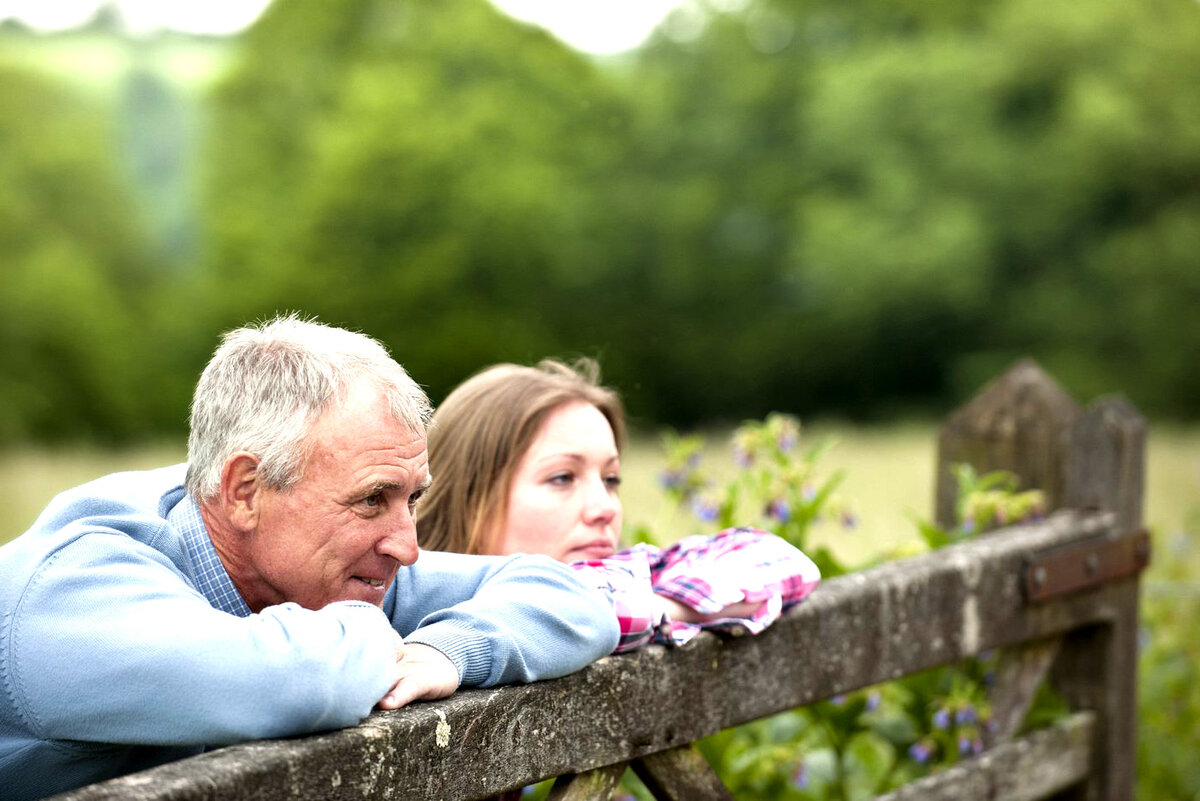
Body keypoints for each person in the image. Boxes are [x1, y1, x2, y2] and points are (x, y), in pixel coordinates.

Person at [0, 317, 619, 801]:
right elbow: (297, 680)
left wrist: (448, 651)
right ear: (245, 490)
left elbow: (571, 599)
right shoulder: (72, 589)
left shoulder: (313, 562)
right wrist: (377, 633)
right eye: (373, 499)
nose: (406, 545)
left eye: (412, 498)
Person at [417, 359, 820, 653]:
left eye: (610, 480)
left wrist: (641, 607)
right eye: (562, 478)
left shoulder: (623, 581)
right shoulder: (401, 606)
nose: (604, 508)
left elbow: (781, 561)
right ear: (469, 493)